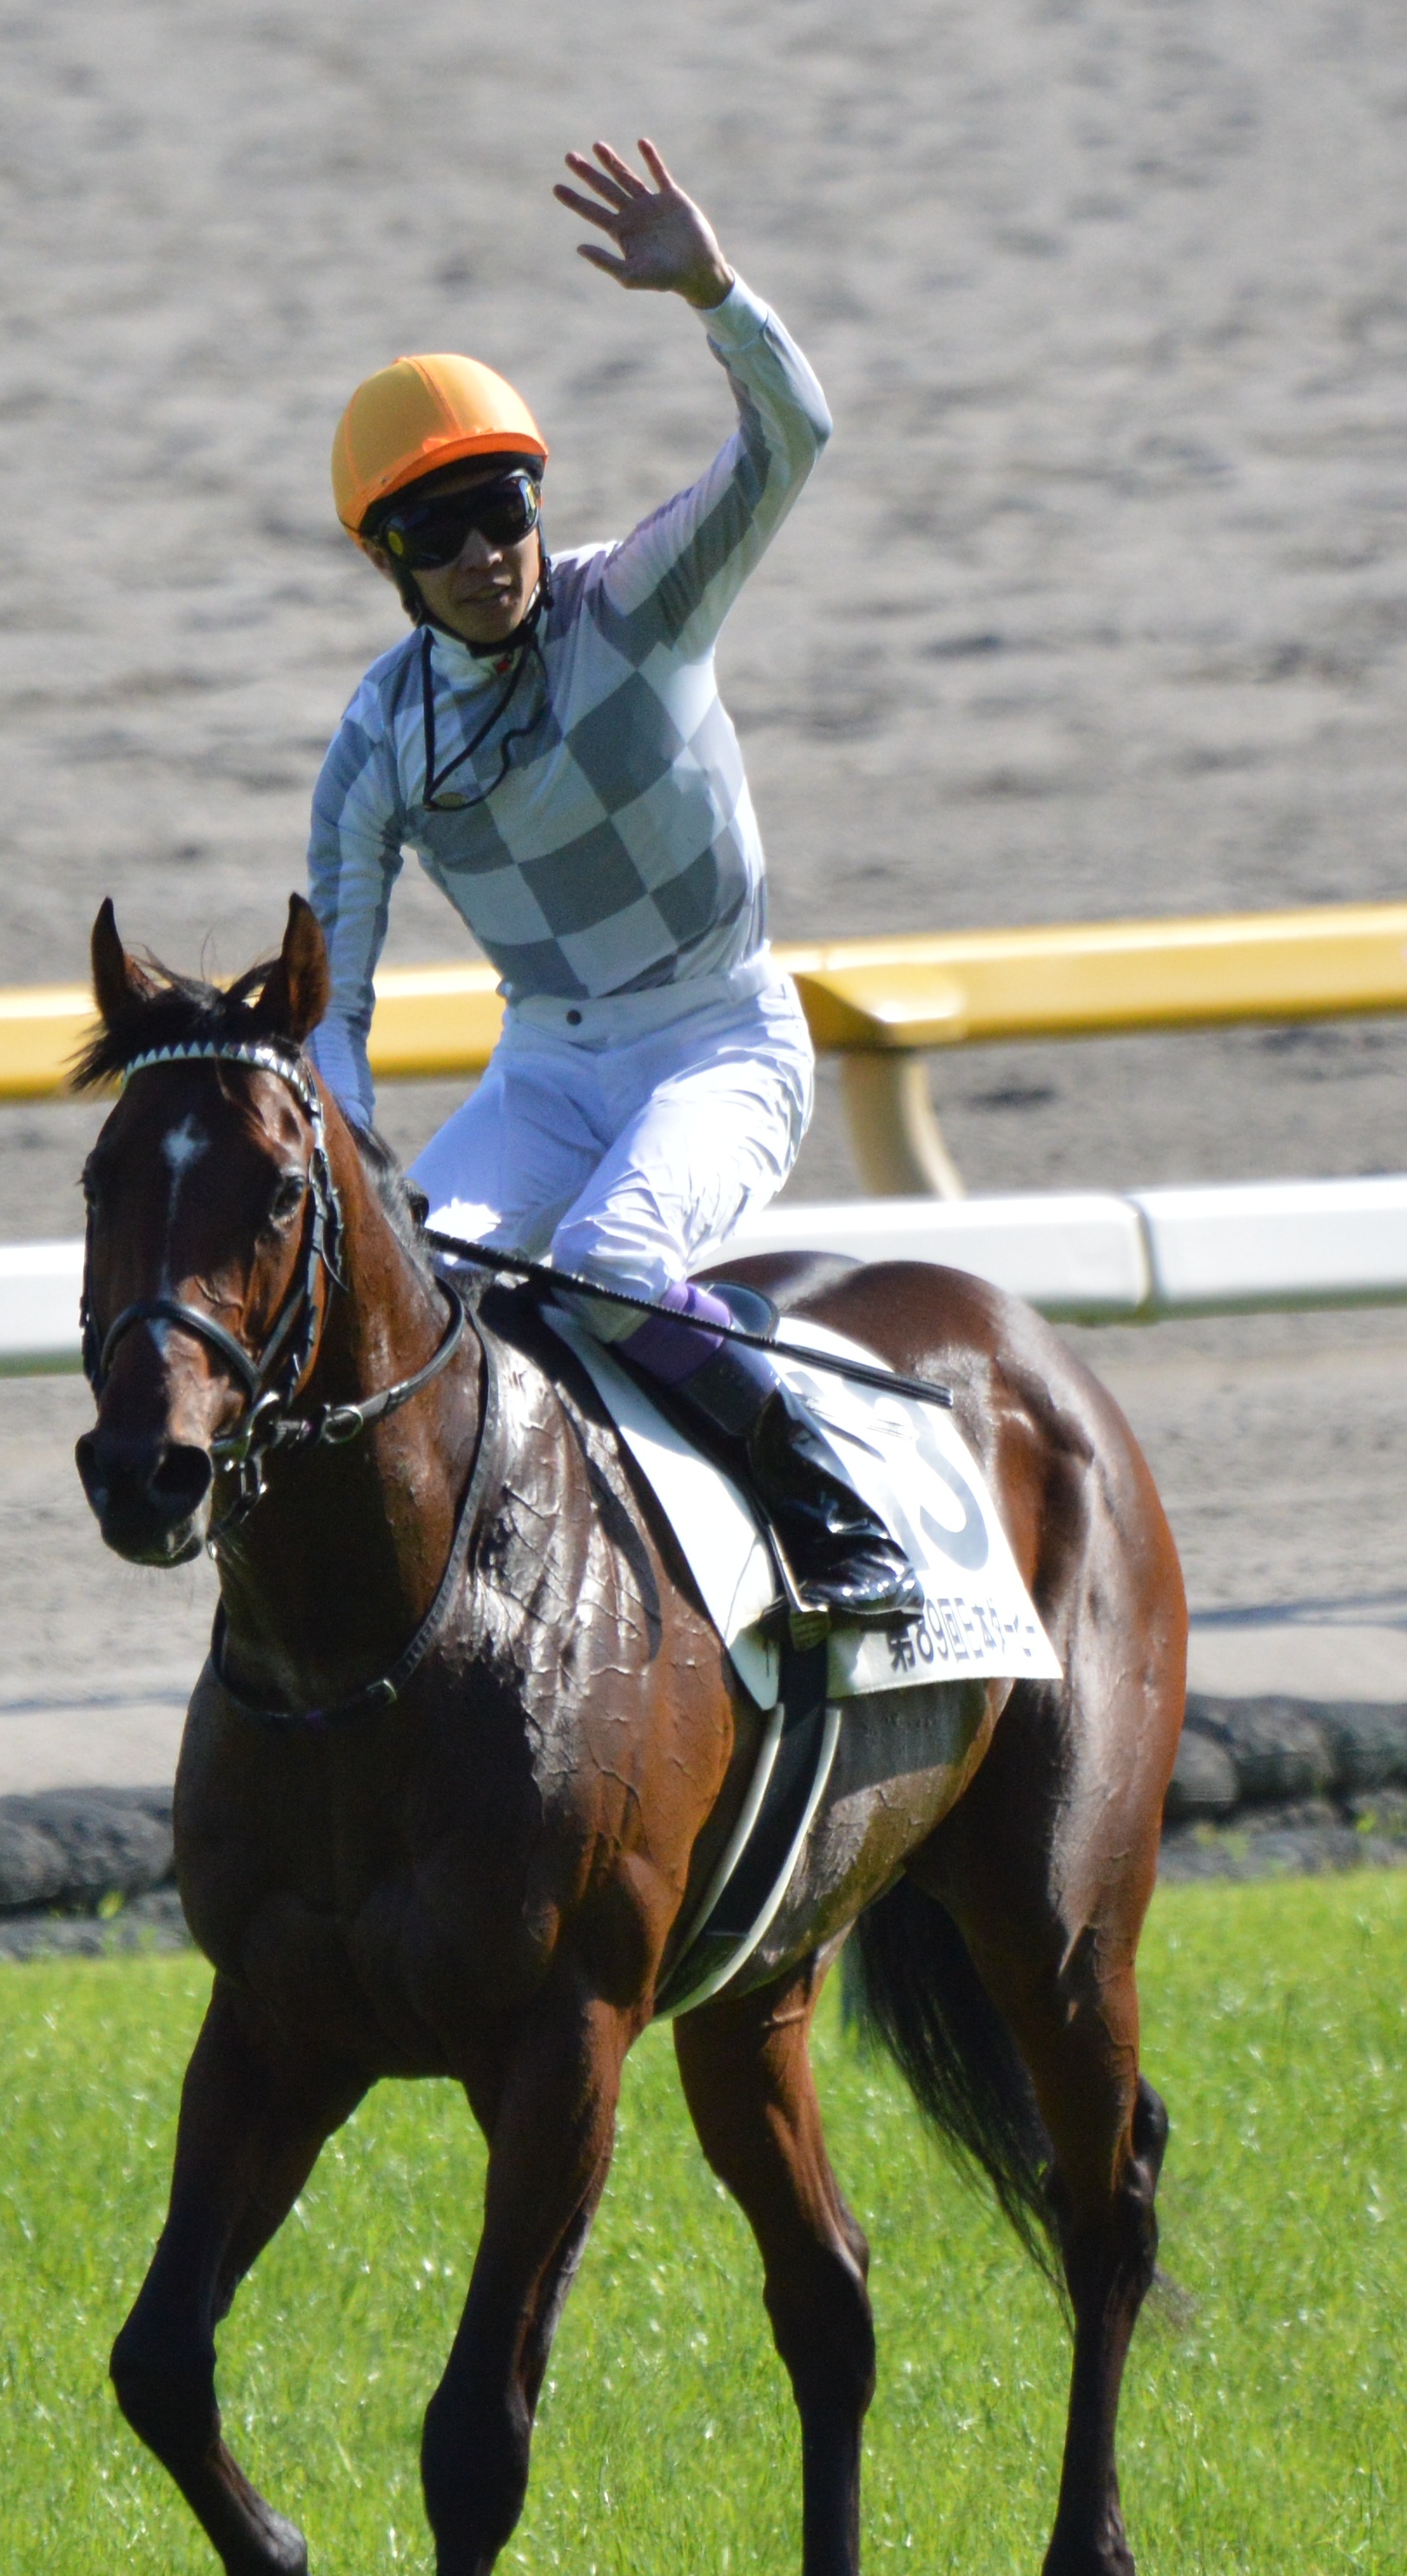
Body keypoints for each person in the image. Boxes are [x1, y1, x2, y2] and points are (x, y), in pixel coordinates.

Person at [309, 139, 920, 1632]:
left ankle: (836, 1512)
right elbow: (338, 986)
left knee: (612, 1257)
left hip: (721, 1040)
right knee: (402, 1288)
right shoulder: (378, 741)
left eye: (502, 509)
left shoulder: (637, 602)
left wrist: (715, 292)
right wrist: (349, 1157)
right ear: (387, 562)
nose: (482, 555)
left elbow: (795, 440)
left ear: (539, 505)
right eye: (433, 532)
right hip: (551, 1069)